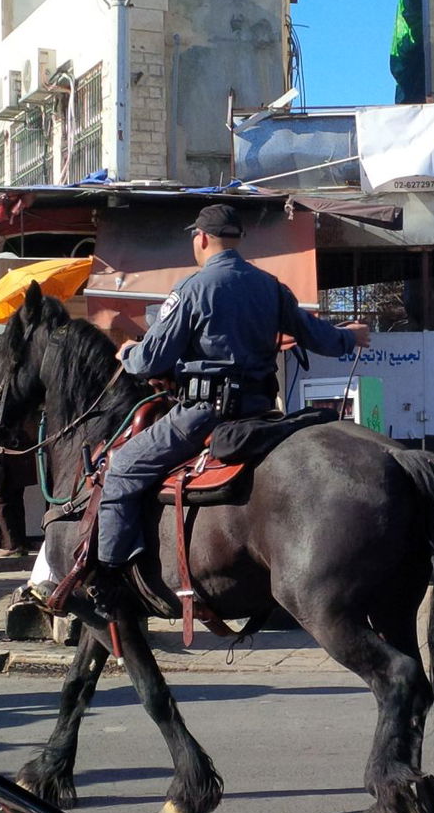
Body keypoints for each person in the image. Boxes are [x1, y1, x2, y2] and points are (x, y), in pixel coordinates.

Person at [93, 202, 371, 603]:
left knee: (122, 466)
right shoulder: (272, 287)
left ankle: (110, 576)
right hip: (261, 411)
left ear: (201, 238)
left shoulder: (192, 288)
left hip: (202, 416)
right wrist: (351, 336)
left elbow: (152, 360)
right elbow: (318, 337)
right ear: (237, 240)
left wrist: (128, 353)